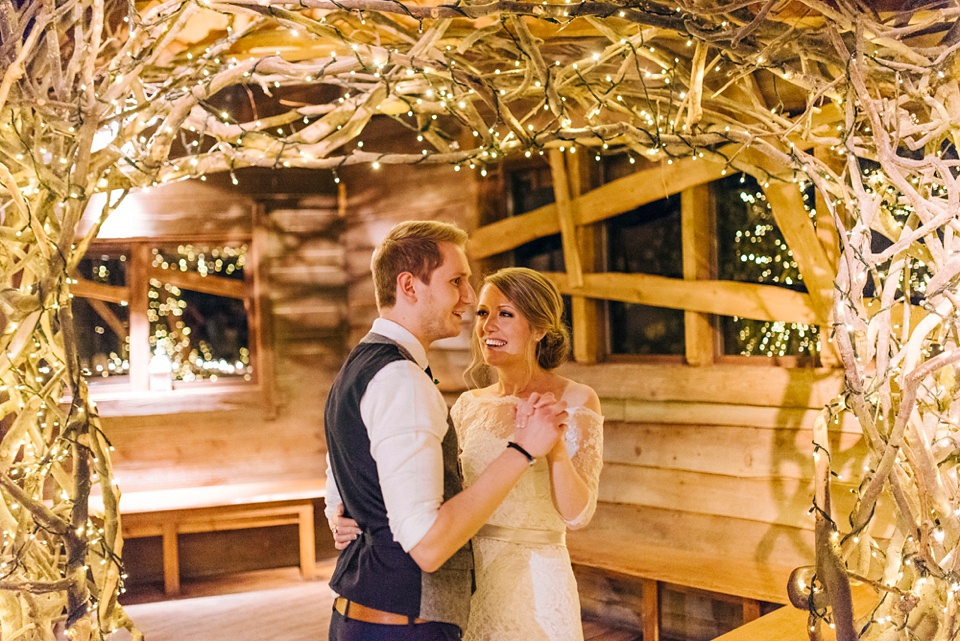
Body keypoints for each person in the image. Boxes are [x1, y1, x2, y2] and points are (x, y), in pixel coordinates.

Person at [323, 221, 567, 641]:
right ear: (410, 286)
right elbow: (430, 547)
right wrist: (523, 450)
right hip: (402, 626)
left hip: (366, 616)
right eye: (457, 281)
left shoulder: (362, 364)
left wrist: (339, 507)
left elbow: (344, 456)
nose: (470, 298)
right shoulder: (401, 378)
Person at [452, 267, 604, 641]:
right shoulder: (466, 405)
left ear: (539, 329)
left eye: (505, 314)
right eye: (484, 313)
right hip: (472, 578)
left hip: (539, 576)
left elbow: (578, 514)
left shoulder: (576, 399)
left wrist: (553, 450)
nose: (488, 326)